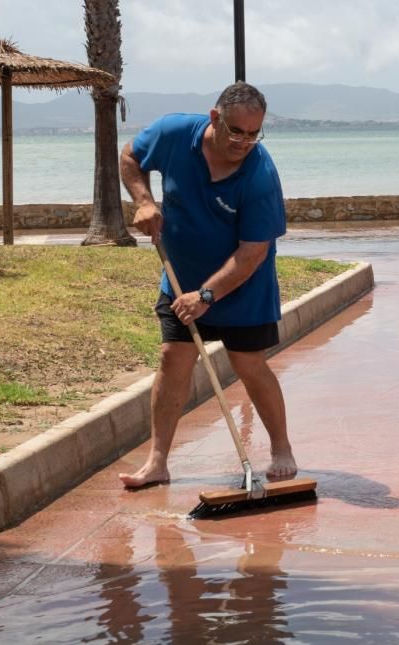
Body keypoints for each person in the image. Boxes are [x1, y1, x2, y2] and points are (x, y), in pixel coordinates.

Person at [117, 82, 297, 489]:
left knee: (248, 365)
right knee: (172, 358)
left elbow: (252, 252)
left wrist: (208, 296)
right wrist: (143, 201)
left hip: (243, 286)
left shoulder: (260, 175)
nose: (245, 142)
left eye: (254, 134)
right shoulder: (174, 133)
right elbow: (130, 156)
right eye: (237, 131)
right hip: (182, 277)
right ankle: (157, 462)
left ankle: (282, 448)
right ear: (215, 118)